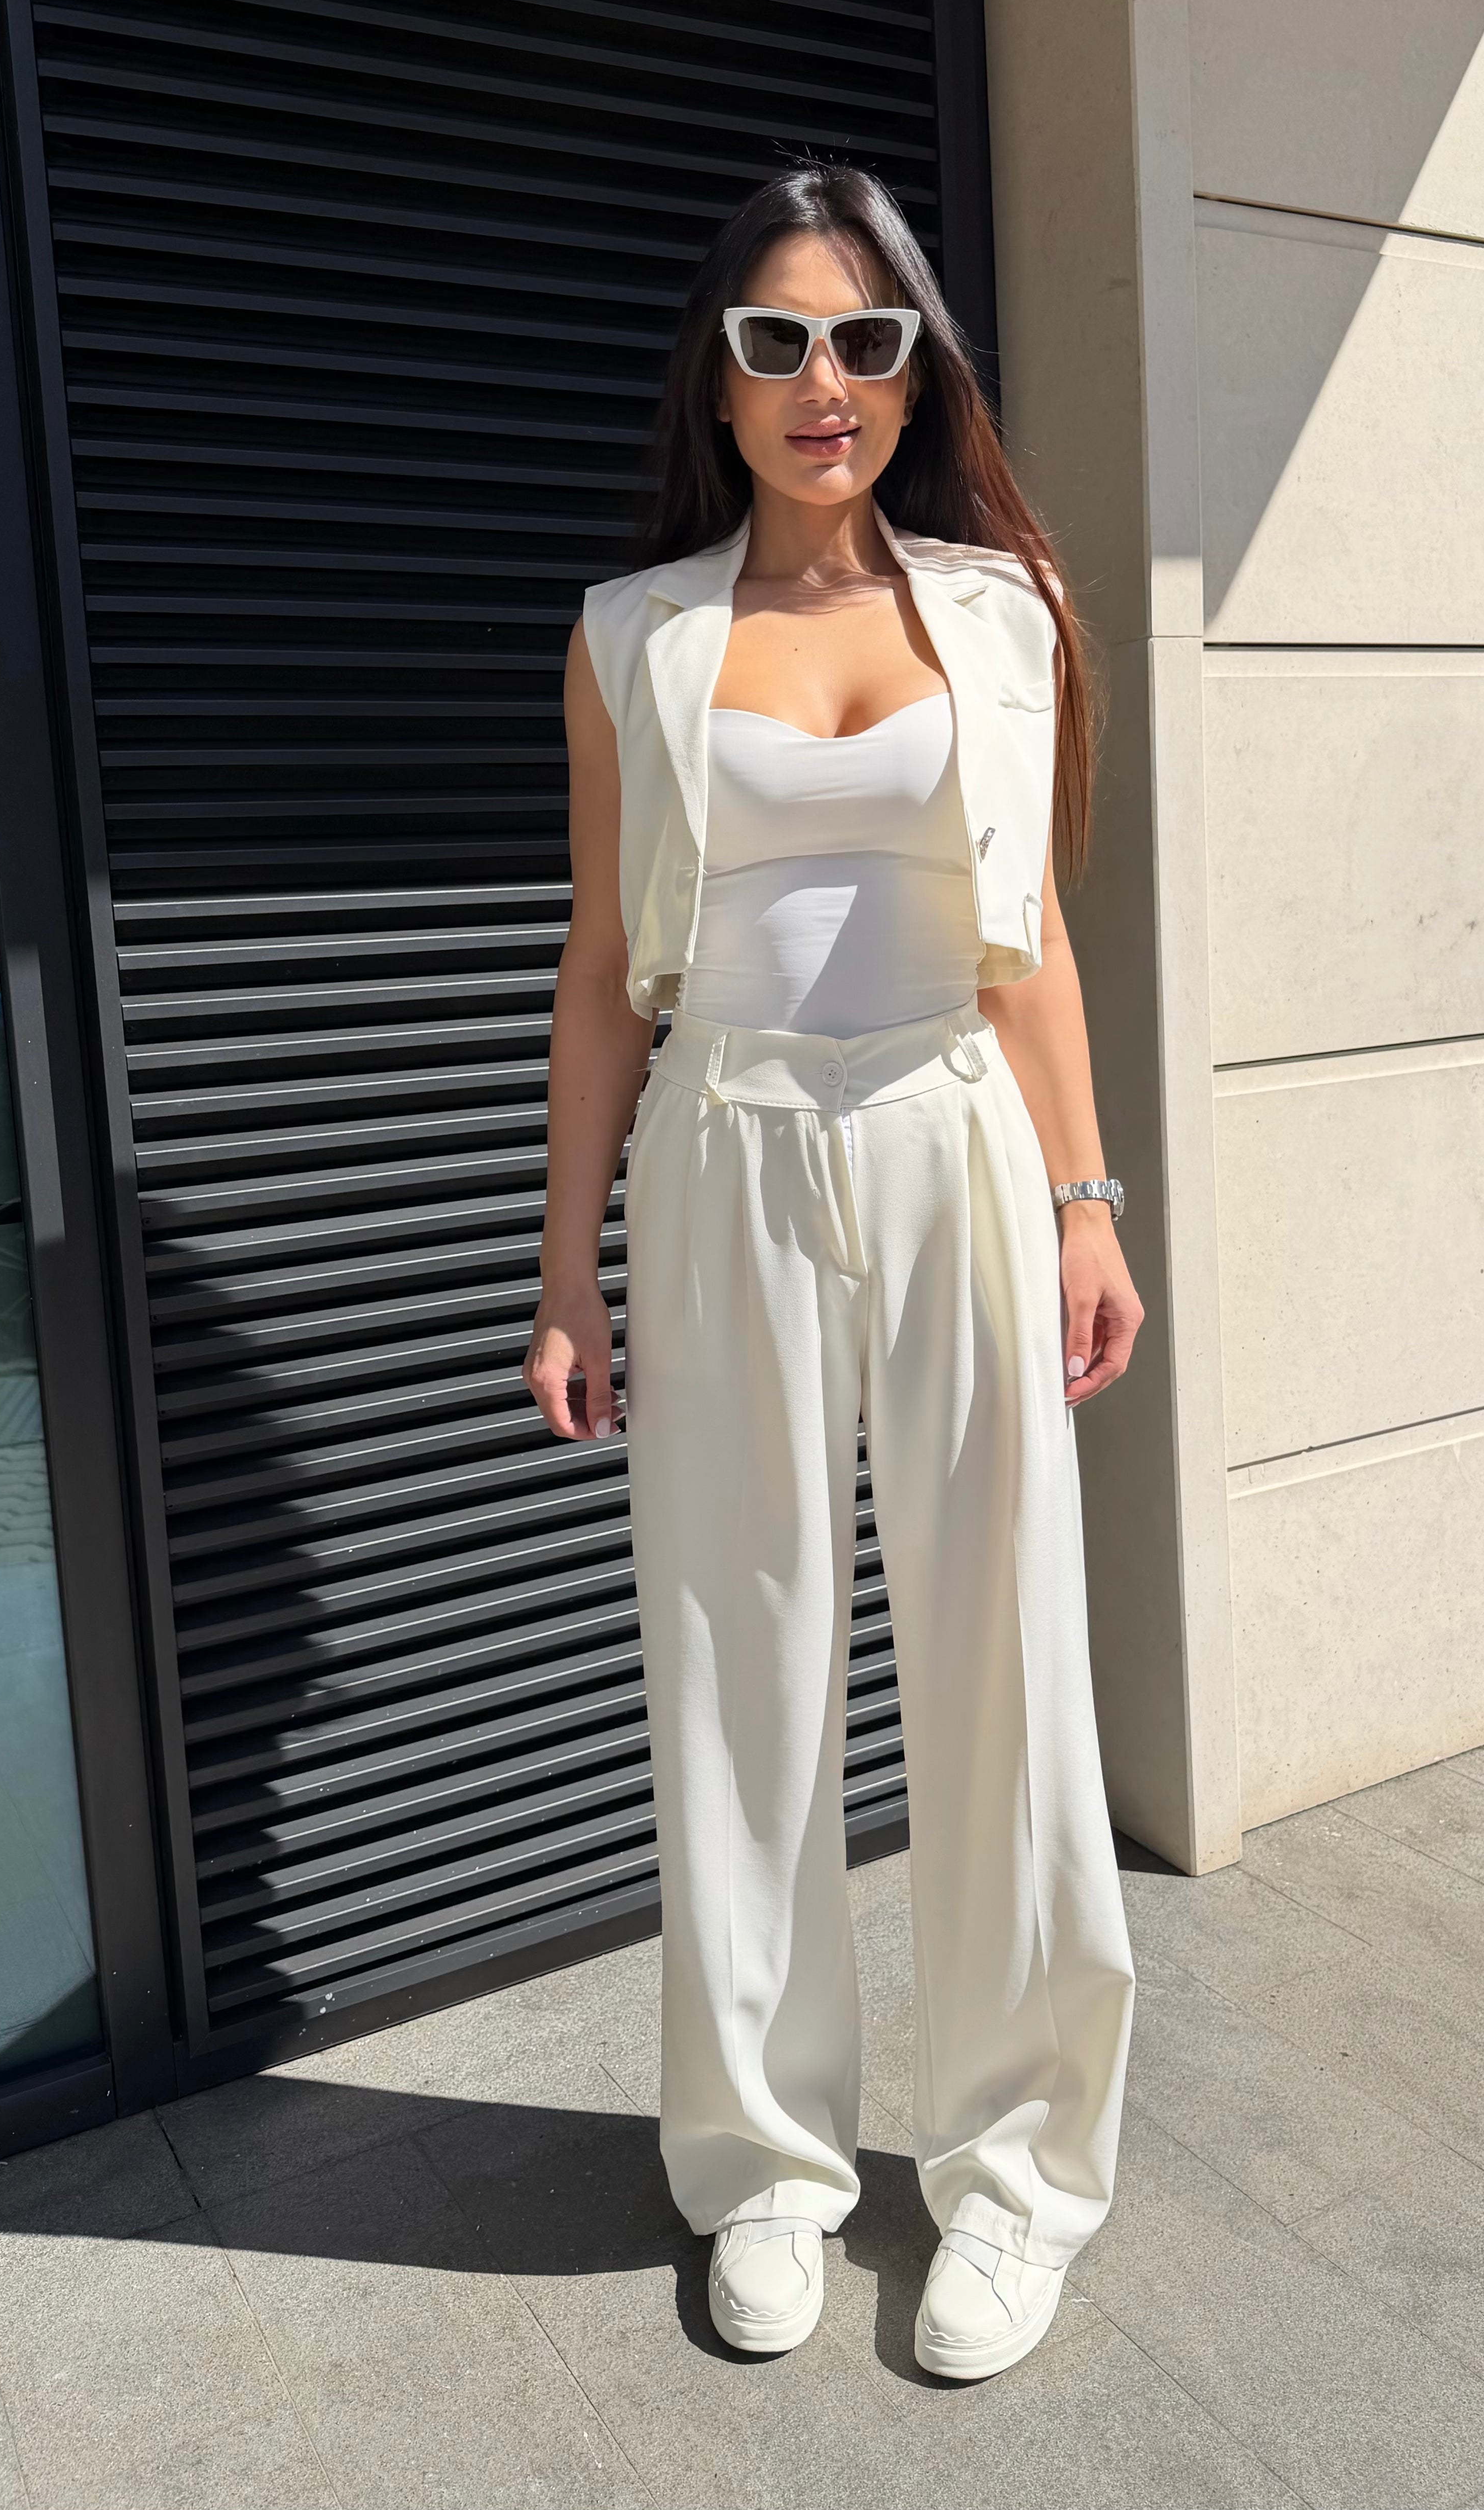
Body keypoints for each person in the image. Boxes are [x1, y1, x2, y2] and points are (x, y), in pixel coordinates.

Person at [524, 166, 1140, 2383]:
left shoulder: (1004, 610)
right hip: (725, 1146)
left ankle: (1016, 2171)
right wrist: (567, 1261)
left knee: (1004, 1654)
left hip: (954, 1136)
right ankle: (766, 2166)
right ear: (718, 373)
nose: (823, 382)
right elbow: (601, 960)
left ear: (916, 373)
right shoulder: (633, 634)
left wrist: (1087, 1199)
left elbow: (1029, 935)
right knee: (738, 1656)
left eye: (866, 341)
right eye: (776, 339)